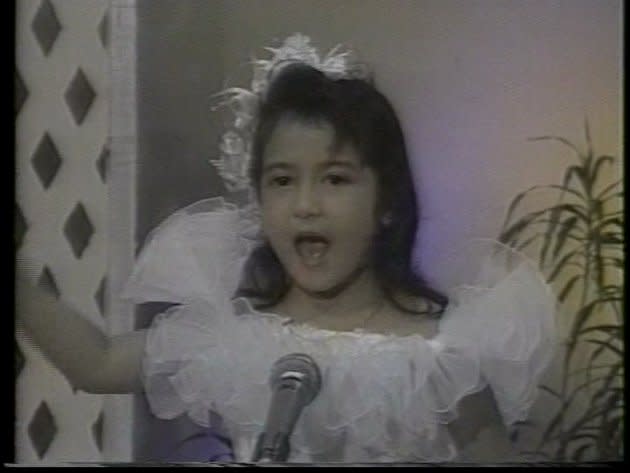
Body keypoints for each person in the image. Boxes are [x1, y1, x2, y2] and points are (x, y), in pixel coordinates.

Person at [16, 34, 557, 463]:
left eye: (335, 179)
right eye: (281, 181)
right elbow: (99, 363)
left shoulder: (440, 359)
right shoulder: (237, 339)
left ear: (387, 202)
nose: (305, 205)